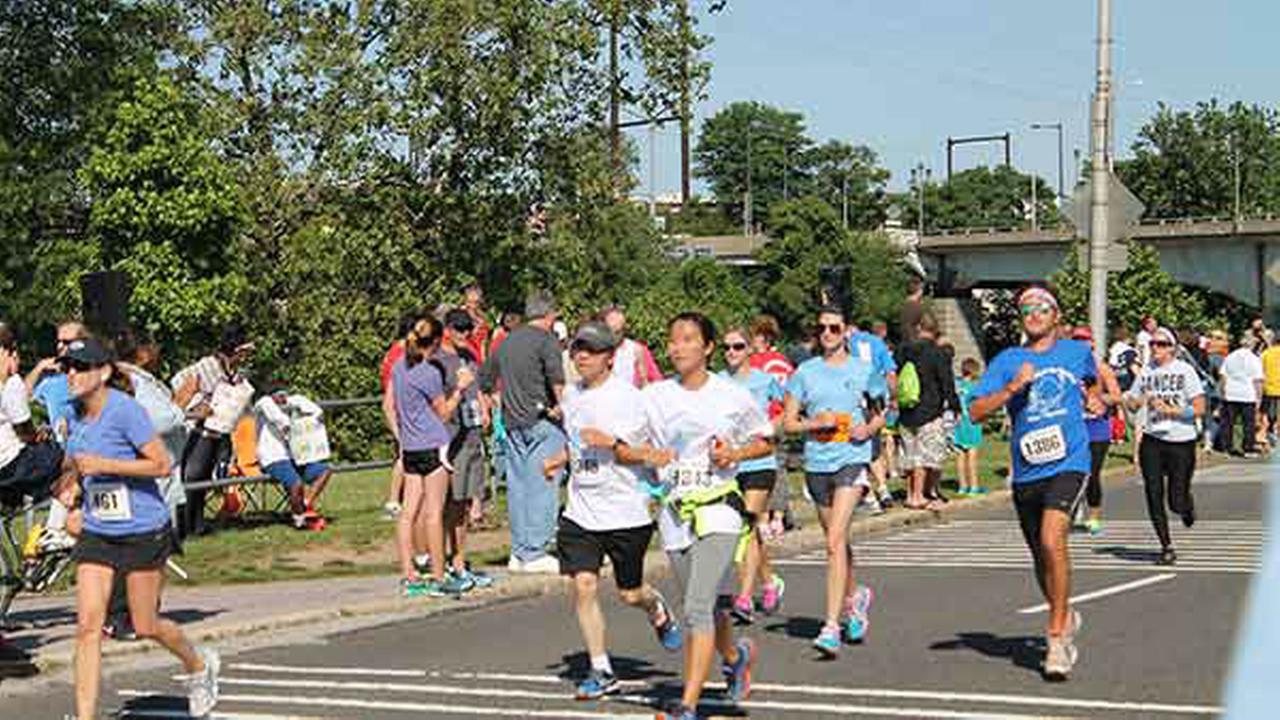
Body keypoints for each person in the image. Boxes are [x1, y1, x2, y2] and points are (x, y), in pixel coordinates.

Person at [55, 338, 219, 719]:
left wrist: (106, 466)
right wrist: (70, 490)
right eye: (67, 367)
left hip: (143, 529)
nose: (71, 375)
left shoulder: (126, 411)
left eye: (80, 367)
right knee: (87, 626)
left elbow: (161, 464)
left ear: (105, 372)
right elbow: (74, 465)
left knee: (145, 625)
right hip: (98, 532)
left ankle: (198, 665)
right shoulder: (74, 414)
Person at [633, 312, 772, 720]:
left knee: (695, 606)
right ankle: (735, 656)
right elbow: (631, 443)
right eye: (672, 340)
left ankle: (687, 705)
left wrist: (736, 453)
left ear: (708, 347)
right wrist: (644, 454)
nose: (678, 347)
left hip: (719, 509)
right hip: (676, 511)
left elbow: (764, 440)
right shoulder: (655, 396)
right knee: (705, 607)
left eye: (688, 339)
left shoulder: (731, 395)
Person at [542, 321, 681, 700]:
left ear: (609, 356)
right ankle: (601, 668)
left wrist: (613, 443)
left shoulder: (632, 399)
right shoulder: (571, 396)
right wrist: (558, 459)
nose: (581, 356)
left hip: (626, 511)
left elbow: (653, 454)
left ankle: (657, 610)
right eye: (577, 349)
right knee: (583, 586)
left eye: (590, 349)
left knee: (630, 593)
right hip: (582, 510)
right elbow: (577, 444)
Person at [969, 286, 1090, 681]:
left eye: (1042, 308)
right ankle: (1065, 612)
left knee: (1054, 539)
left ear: (1056, 316)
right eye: (1026, 309)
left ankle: (1056, 639)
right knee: (1041, 556)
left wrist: (1101, 397)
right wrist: (1011, 389)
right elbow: (974, 410)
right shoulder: (1009, 360)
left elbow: (1096, 376)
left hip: (1070, 462)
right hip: (1027, 470)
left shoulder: (1076, 352)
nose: (1033, 314)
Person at [784, 306, 884, 656]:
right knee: (835, 542)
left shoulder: (863, 370)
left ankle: (830, 627)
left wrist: (867, 429)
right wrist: (816, 423)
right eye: (822, 328)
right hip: (817, 463)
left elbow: (880, 413)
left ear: (846, 332)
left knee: (834, 541)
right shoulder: (804, 373)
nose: (827, 333)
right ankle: (855, 598)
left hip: (851, 461)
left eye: (834, 328)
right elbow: (789, 423)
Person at [479, 291, 566, 573]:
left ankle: (519, 551)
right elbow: (556, 379)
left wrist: (494, 403)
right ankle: (535, 550)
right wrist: (564, 409)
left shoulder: (506, 341)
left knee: (518, 486)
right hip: (542, 422)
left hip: (513, 421)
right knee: (544, 482)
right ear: (550, 315)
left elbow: (485, 379)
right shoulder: (547, 341)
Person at [387, 315, 473, 597]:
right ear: (435, 341)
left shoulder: (399, 368)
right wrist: (460, 389)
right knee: (434, 513)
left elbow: (392, 404)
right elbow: (444, 412)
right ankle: (438, 575)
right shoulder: (429, 373)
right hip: (434, 445)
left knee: (408, 512)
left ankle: (409, 575)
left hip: (410, 448)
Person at [719, 327, 786, 624]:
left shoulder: (764, 380)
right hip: (730, 464)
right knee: (746, 529)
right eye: (727, 347)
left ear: (749, 350)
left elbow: (788, 407)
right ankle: (770, 581)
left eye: (737, 346)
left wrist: (771, 426)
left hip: (760, 462)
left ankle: (744, 598)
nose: (731, 352)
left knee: (747, 523)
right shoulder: (717, 382)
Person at [1123, 327, 1205, 566]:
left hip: (1181, 441)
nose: (1155, 349)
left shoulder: (1185, 371)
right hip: (1152, 439)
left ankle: (1186, 507)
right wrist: (1137, 401)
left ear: (1172, 347)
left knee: (1175, 500)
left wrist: (1172, 410)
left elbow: (1200, 407)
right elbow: (1133, 404)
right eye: (1152, 344)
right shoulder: (1146, 371)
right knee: (1153, 492)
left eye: (1160, 344)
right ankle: (1166, 545)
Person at [171, 325, 256, 537]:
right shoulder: (206, 366)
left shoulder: (235, 373)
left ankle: (198, 524)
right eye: (244, 352)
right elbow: (177, 383)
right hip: (197, 432)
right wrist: (195, 406)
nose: (246, 356)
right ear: (235, 350)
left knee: (204, 478)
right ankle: (183, 526)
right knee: (191, 477)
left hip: (219, 432)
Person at [435, 309, 492, 590]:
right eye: (459, 328)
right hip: (450, 437)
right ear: (446, 329)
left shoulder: (469, 356)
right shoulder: (437, 360)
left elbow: (478, 387)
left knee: (466, 501)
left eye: (468, 328)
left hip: (472, 432)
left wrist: (483, 406)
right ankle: (442, 561)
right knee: (450, 502)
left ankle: (460, 561)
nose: (464, 333)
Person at [896, 313, 959, 510]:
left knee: (910, 452)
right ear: (936, 330)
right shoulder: (938, 353)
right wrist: (955, 406)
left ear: (918, 328)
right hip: (930, 409)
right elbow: (946, 382)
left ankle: (909, 494)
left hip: (907, 407)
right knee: (924, 456)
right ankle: (919, 496)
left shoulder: (903, 351)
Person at [254, 388, 333, 530]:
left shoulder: (291, 401)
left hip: (295, 457)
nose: (283, 399)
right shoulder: (263, 403)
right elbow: (278, 418)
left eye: (285, 395)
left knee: (325, 470)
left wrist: (314, 418)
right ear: (271, 395)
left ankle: (306, 504)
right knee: (296, 484)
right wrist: (291, 425)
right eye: (279, 395)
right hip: (273, 458)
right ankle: (300, 520)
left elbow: (315, 410)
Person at [1072, 327, 1123, 535]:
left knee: (1092, 474)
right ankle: (1072, 513)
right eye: (1076, 341)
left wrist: (1100, 400)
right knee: (1071, 473)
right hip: (1073, 427)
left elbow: (1117, 396)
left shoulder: (1102, 368)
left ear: (1092, 343)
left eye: (1084, 340)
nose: (1081, 344)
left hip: (1097, 428)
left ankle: (1093, 517)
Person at [849, 320, 898, 510]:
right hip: (876, 400)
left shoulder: (848, 343)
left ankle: (869, 495)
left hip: (855, 401)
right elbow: (890, 372)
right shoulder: (878, 343)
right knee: (875, 447)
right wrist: (893, 398)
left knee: (857, 448)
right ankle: (883, 489)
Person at [381, 311, 420, 520]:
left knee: (405, 455)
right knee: (404, 456)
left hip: (401, 406)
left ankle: (402, 499)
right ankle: (393, 501)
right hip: (401, 407)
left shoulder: (396, 350)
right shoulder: (400, 352)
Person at [25, 320, 89, 443]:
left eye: (66, 342)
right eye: (58, 342)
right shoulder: (51, 381)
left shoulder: (94, 378)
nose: (59, 346)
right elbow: (21, 401)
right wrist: (39, 368)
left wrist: (71, 427)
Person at [1220, 334, 1264, 458]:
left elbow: (1223, 376)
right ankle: (1248, 448)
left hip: (1231, 393)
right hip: (1248, 394)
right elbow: (1258, 380)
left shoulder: (1230, 357)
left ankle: (1226, 447)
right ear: (1252, 345)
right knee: (1248, 423)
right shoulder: (1254, 359)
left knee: (1228, 422)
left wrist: (1223, 392)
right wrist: (1259, 398)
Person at [600, 305, 660, 388]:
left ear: (624, 329)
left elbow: (653, 381)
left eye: (618, 332)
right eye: (610, 331)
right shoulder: (596, 350)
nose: (613, 336)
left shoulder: (637, 350)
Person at [953, 357, 985, 496]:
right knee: (972, 455)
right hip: (972, 422)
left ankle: (962, 486)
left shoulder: (957, 385)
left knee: (960, 455)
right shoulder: (975, 387)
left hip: (958, 422)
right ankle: (974, 486)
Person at [461, 283, 492, 363]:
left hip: (476, 359)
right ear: (465, 300)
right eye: (470, 302)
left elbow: (483, 346)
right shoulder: (458, 315)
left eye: (476, 302)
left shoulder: (483, 320)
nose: (473, 306)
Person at [1260, 336, 1280, 447]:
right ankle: (1276, 431)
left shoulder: (1266, 353)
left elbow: (1260, 368)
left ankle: (1267, 431)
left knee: (1266, 411)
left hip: (1268, 387)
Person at [898, 275, 925, 344]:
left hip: (905, 342)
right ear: (919, 290)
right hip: (914, 343)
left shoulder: (904, 305)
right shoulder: (916, 307)